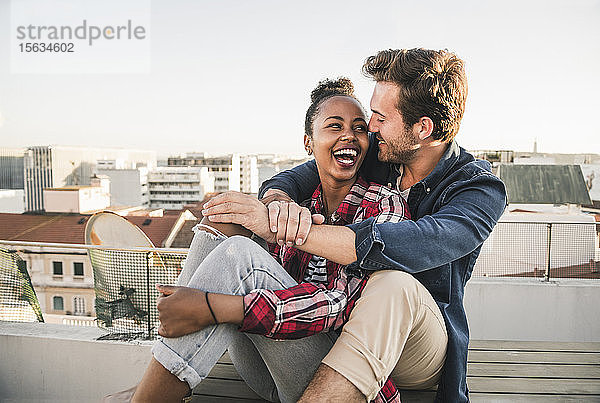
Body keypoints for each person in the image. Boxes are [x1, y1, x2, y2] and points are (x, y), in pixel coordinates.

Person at [206, 48, 507, 402]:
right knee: (224, 226)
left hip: (419, 347)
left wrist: (292, 231)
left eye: (379, 117)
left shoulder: (478, 189)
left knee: (394, 284)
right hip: (342, 326)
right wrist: (277, 203)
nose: (371, 127)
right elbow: (301, 174)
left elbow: (412, 243)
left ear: (423, 128)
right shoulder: (383, 154)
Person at [107, 78, 410, 403]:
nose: (349, 135)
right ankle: (153, 382)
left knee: (240, 256)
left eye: (359, 128)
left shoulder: (384, 204)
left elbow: (339, 306)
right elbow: (275, 203)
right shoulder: (296, 204)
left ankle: (147, 397)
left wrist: (215, 307)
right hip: (268, 369)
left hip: (330, 376)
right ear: (309, 143)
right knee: (224, 218)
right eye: (334, 126)